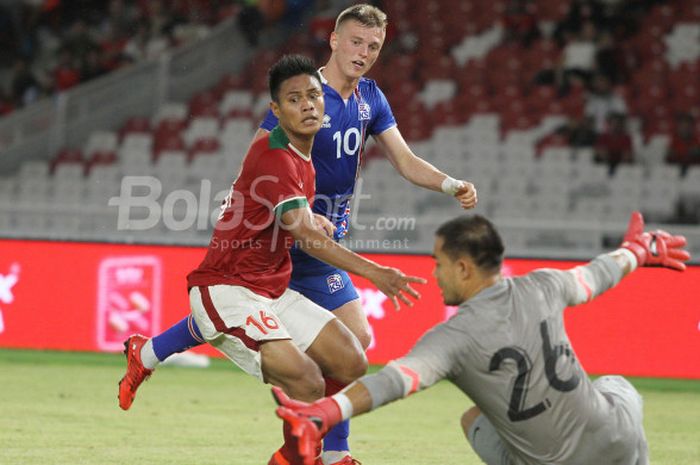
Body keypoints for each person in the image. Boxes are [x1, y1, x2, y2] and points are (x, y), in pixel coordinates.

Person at [118, 5, 477, 464]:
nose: (362, 53)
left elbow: (404, 161)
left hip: (321, 241)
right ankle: (326, 452)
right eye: (355, 42)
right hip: (291, 237)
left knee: (352, 347)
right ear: (333, 40)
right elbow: (260, 158)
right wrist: (273, 210)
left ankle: (148, 353)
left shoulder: (370, 98)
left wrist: (450, 184)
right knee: (279, 334)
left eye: (372, 46)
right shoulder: (304, 94)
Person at [271, 212, 690, 465]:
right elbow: (599, 274)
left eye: (440, 263)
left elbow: (393, 382)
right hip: (620, 442)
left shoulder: (453, 338)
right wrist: (639, 249)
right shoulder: (544, 284)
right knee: (617, 386)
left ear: (465, 268)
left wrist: (323, 413)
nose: (435, 273)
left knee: (476, 423)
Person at [180, 53, 425, 465]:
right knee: (309, 380)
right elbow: (307, 240)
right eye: (294, 99)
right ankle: (317, 456)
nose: (308, 104)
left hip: (269, 289)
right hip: (228, 290)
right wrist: (375, 271)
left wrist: (309, 217)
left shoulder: (304, 159)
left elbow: (294, 217)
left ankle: (313, 452)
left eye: (314, 95)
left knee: (351, 360)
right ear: (275, 111)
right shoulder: (275, 157)